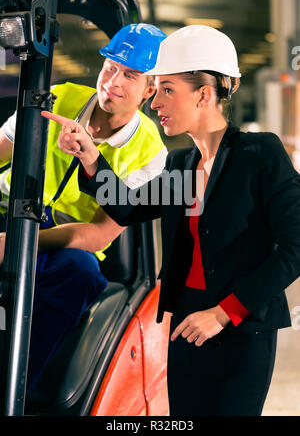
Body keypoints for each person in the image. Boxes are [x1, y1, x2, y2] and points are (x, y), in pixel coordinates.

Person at [46, 25, 300, 416]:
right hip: (184, 323)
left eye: (166, 89)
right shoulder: (182, 165)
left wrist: (223, 313)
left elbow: (294, 248)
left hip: (238, 328)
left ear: (203, 94)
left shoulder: (258, 155)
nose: (154, 103)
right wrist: (90, 158)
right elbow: (128, 207)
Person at [0, 23, 167, 390]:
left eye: (130, 75)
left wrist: (14, 243)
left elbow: (98, 234)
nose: (113, 82)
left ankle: (17, 390)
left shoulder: (152, 154)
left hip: (62, 244)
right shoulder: (58, 97)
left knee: (81, 273)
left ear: (150, 89)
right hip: (5, 214)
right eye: (110, 68)